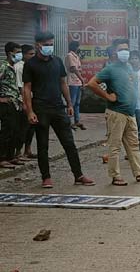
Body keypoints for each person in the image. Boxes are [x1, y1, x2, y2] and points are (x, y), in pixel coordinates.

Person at [22, 32, 94, 188]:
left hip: (58, 108)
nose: (49, 47)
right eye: (46, 44)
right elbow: (26, 89)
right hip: (40, 108)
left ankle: (78, 175)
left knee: (69, 143)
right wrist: (30, 111)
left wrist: (69, 104)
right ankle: (46, 178)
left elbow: (63, 83)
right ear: (38, 45)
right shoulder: (30, 64)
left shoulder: (58, 61)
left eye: (51, 44)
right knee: (42, 145)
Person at [86, 40, 140, 186]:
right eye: (122, 49)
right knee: (115, 146)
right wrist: (107, 96)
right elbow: (91, 83)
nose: (125, 52)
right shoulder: (110, 69)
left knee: (133, 145)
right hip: (116, 113)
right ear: (115, 52)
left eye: (126, 49)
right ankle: (115, 176)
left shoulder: (129, 68)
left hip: (130, 113)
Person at [1, 42, 24, 169]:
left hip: (15, 103)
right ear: (10, 53)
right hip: (6, 104)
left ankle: (11, 157)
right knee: (6, 131)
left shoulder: (13, 66)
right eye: (18, 52)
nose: (20, 55)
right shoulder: (3, 66)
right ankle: (2, 158)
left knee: (14, 130)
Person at [15, 44, 36, 160]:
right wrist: (25, 103)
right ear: (23, 55)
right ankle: (17, 152)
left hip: (32, 99)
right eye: (30, 54)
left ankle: (27, 150)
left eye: (34, 54)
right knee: (23, 127)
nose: (33, 56)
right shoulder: (19, 67)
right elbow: (21, 87)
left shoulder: (31, 66)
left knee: (31, 127)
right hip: (23, 100)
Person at [65, 40, 85, 130]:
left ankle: (77, 121)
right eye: (78, 46)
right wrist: (82, 79)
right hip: (72, 82)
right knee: (71, 103)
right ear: (75, 47)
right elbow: (73, 69)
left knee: (77, 103)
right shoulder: (70, 55)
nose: (79, 48)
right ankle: (69, 122)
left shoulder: (76, 56)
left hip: (77, 82)